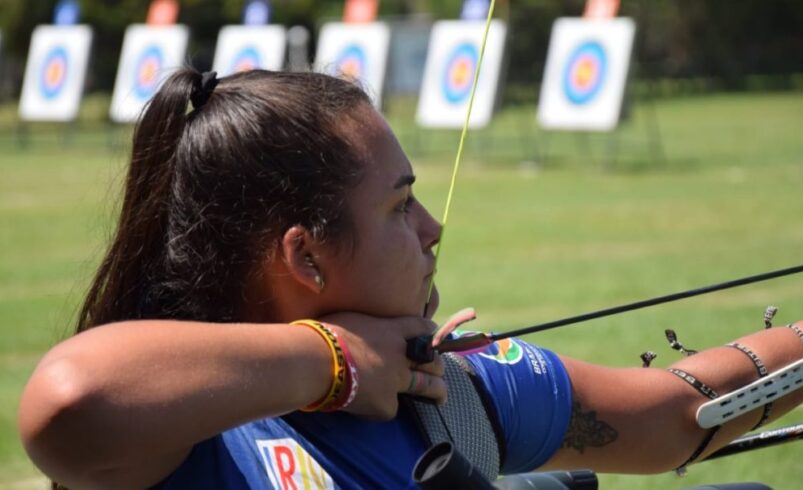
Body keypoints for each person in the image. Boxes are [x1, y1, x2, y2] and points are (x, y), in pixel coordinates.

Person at [18, 68, 803, 490]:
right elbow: (71, 400)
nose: (432, 227)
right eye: (399, 206)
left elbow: (673, 416)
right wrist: (333, 361)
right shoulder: (189, 440)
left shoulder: (440, 389)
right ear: (306, 256)